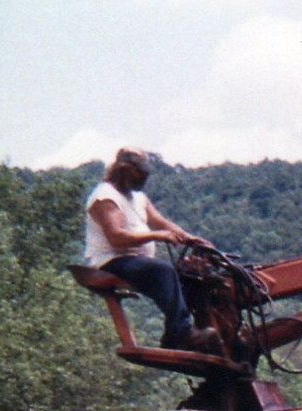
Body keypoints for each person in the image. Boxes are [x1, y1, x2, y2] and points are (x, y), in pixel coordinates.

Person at [83, 147, 221, 352]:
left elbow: (159, 222)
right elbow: (116, 238)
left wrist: (190, 239)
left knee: (196, 278)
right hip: (110, 262)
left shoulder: (138, 197)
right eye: (140, 172)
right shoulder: (106, 197)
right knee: (163, 270)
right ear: (124, 169)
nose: (144, 177)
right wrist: (157, 236)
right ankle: (181, 332)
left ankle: (193, 336)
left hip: (135, 262)